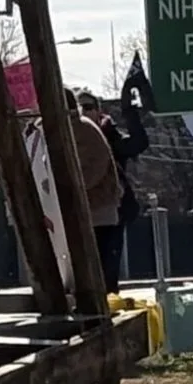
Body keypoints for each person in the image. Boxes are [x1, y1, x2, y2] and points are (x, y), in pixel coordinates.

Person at [78, 77, 150, 297]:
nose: (83, 112)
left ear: (98, 111)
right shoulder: (66, 137)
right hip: (77, 211)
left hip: (110, 211)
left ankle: (109, 308)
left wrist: (129, 111)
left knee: (108, 267)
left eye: (88, 107)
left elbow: (138, 144)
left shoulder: (108, 135)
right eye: (79, 107)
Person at [63, 90, 122, 294]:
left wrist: (66, 188)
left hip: (98, 213)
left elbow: (91, 171)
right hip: (82, 213)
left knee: (100, 275)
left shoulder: (82, 130)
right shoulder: (67, 130)